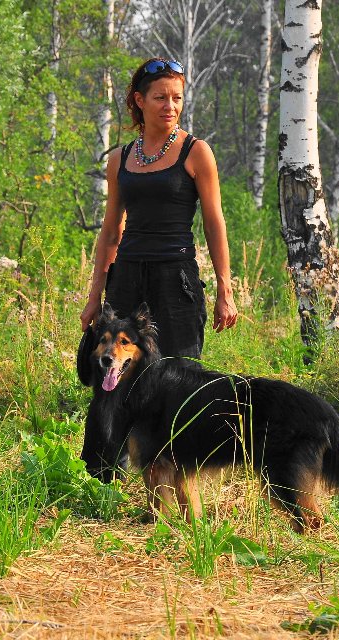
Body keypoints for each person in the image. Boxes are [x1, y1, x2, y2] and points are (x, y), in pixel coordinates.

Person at [79, 58, 237, 480]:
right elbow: (111, 231)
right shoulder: (120, 159)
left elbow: (214, 223)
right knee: (112, 369)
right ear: (139, 100)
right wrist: (95, 296)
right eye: (161, 97)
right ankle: (103, 478)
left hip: (176, 279)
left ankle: (179, 478)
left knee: (181, 375)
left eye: (177, 98)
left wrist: (225, 289)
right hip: (127, 277)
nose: (170, 106)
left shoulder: (195, 151)